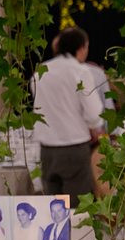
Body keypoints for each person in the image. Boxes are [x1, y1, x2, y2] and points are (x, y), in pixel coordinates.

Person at [32, 27, 105, 201]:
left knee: (53, 206)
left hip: (47, 149)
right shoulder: (80, 71)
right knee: (78, 206)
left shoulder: (40, 72)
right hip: (74, 148)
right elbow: (94, 114)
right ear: (81, 48)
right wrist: (95, 127)